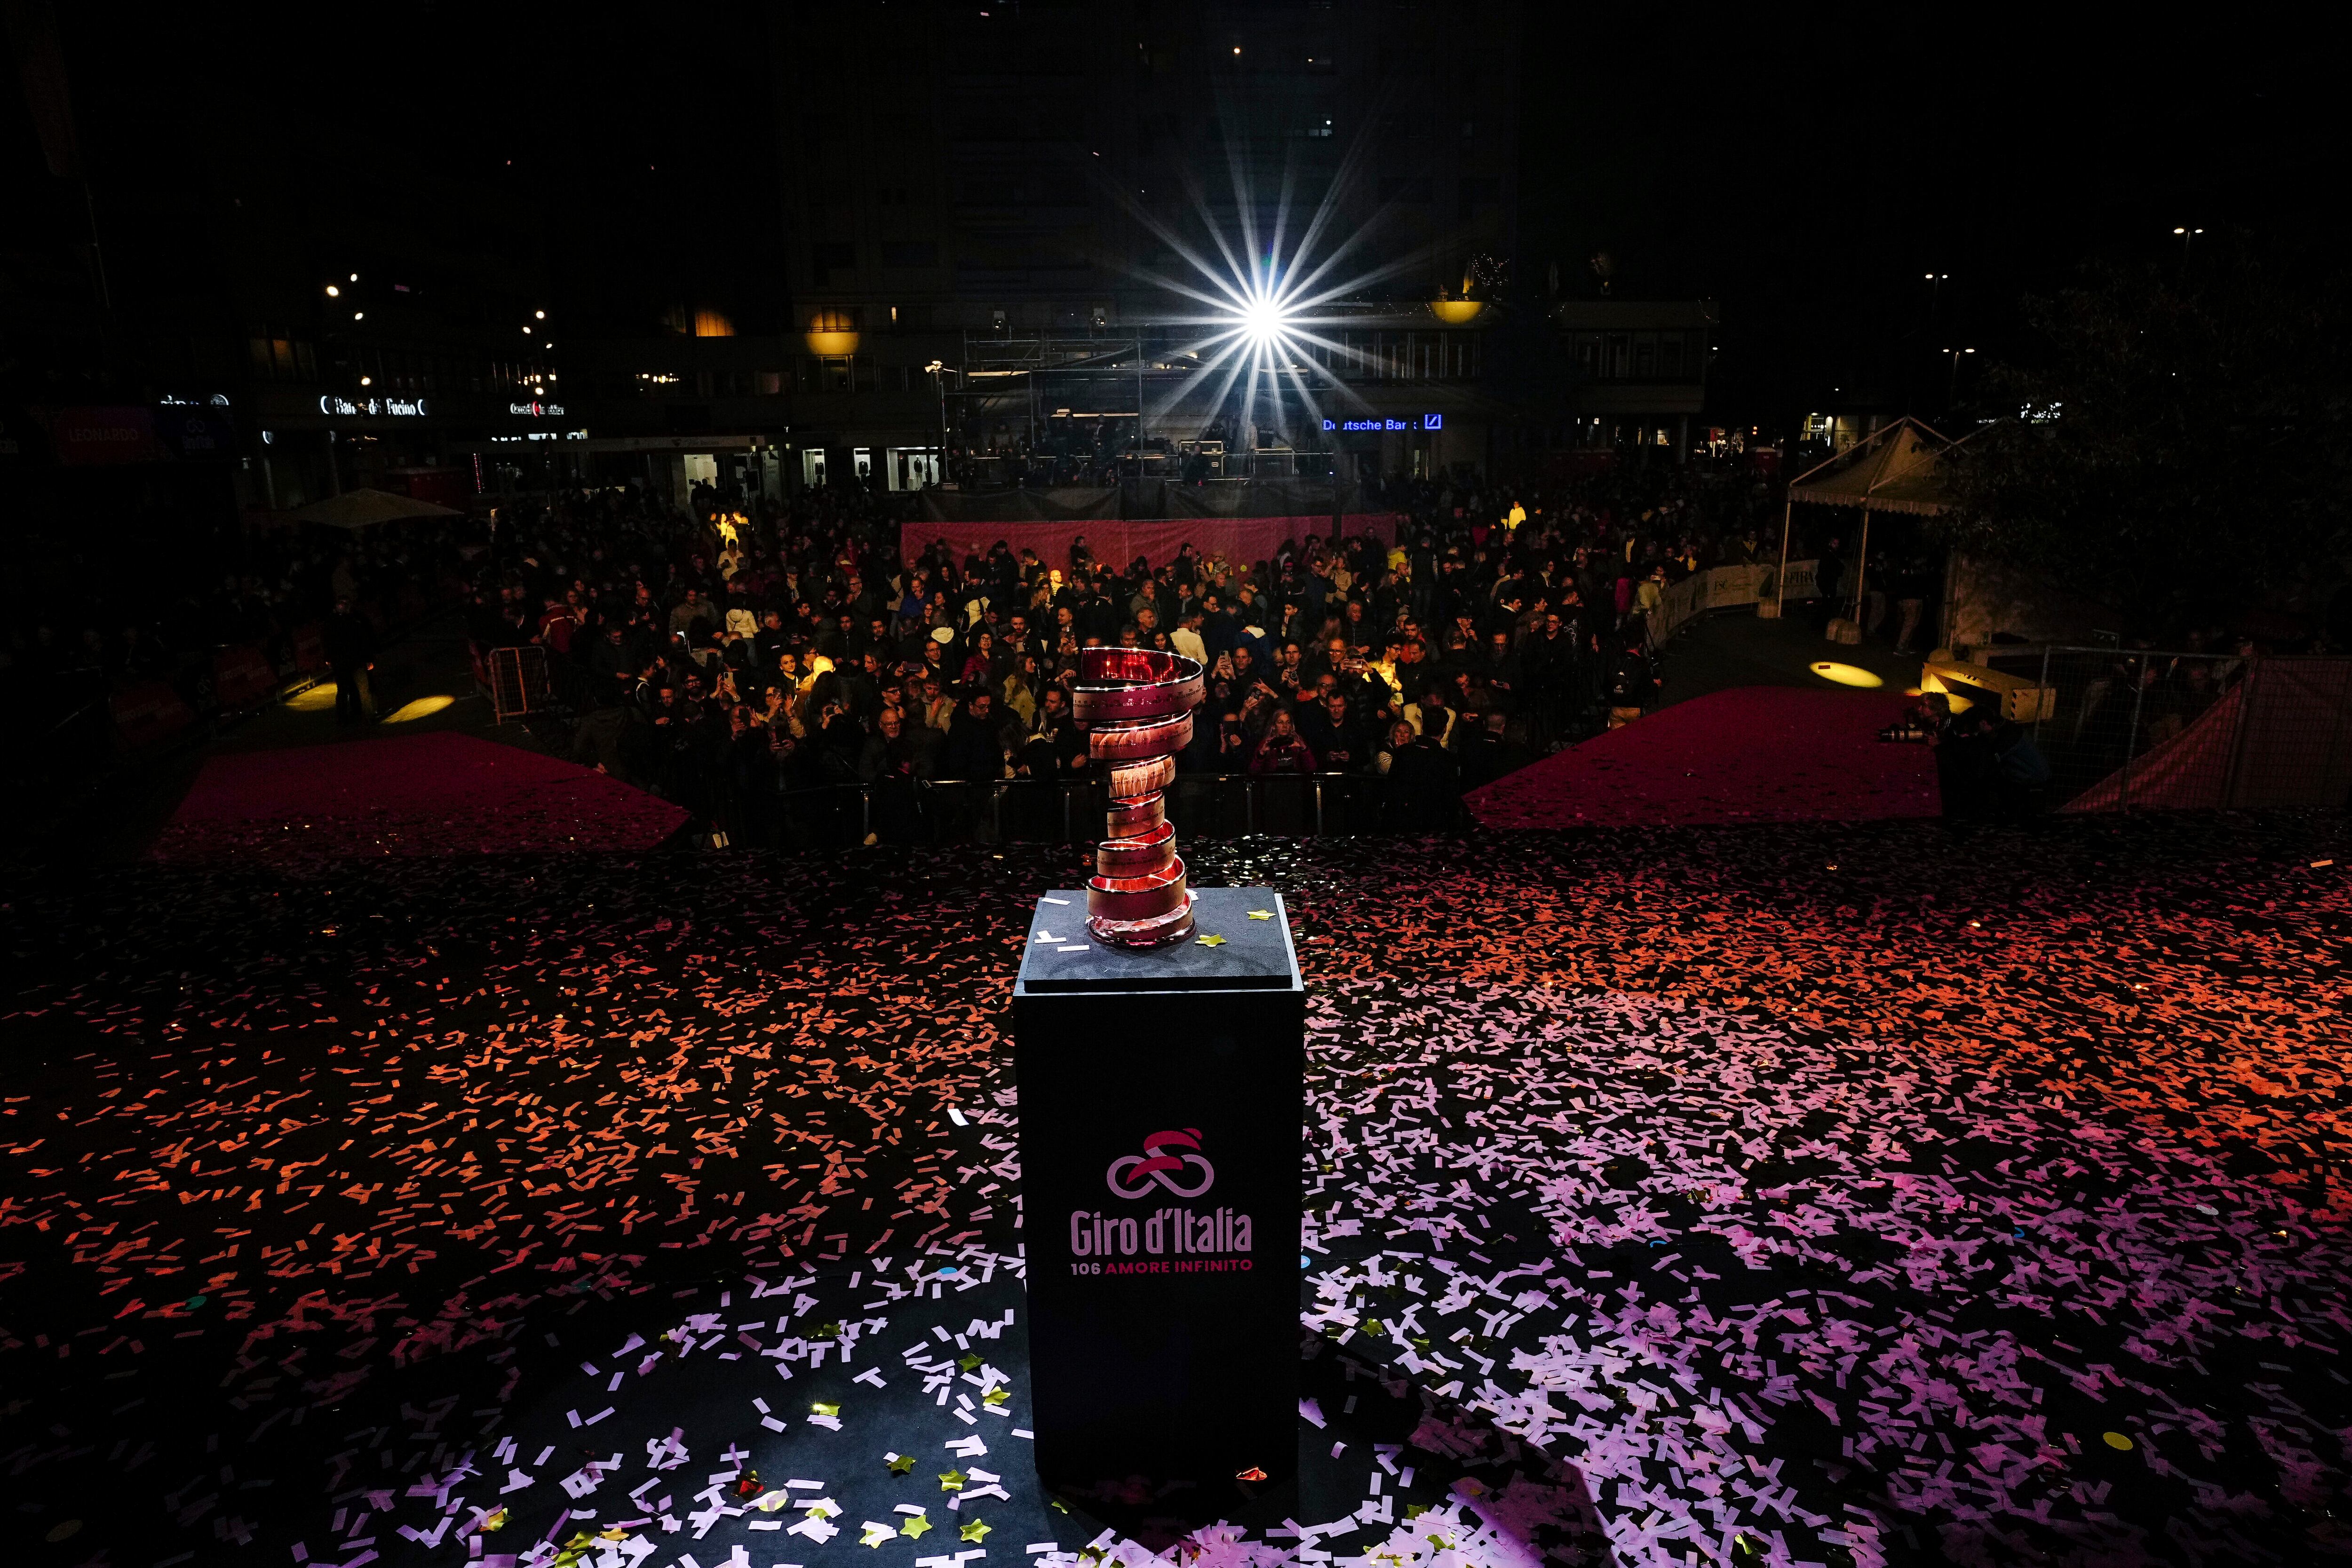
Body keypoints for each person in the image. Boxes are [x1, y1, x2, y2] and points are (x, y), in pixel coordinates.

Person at [324, 596, 374, 725]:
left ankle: (342, 718)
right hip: (357, 662)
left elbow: (327, 643)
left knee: (342, 691)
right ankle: (369, 716)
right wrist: (368, 659)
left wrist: (329, 659)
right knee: (363, 690)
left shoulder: (330, 624)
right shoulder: (355, 622)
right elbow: (364, 642)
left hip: (340, 664)